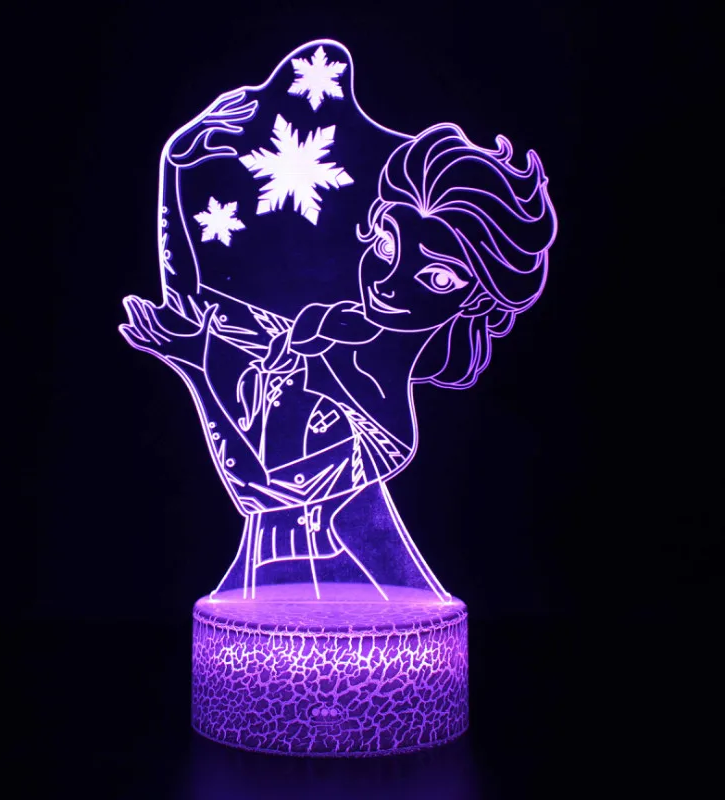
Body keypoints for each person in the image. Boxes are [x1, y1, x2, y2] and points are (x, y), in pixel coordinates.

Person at [120, 123, 557, 601]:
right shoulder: (318, 328)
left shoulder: (387, 430)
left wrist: (195, 369)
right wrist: (175, 169)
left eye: (435, 276)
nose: (388, 282)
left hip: (319, 593)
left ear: (475, 299)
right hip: (262, 594)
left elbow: (256, 491)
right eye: (387, 245)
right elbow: (191, 308)